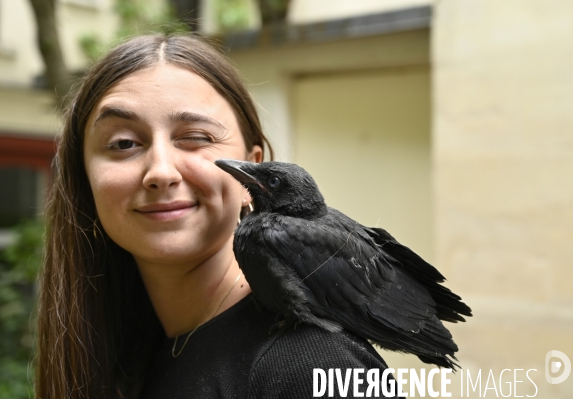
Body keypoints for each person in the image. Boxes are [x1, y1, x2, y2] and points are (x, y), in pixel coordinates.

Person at [35, 33, 398, 399]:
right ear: (85, 179)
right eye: (124, 143)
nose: (161, 172)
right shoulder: (126, 352)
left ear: (250, 177)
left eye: (195, 136)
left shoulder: (312, 367)